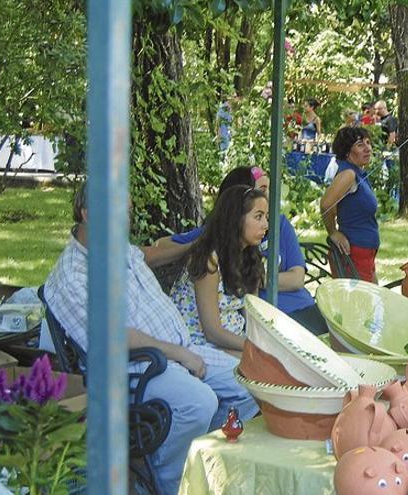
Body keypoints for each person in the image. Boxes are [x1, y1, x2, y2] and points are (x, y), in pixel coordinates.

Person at [44, 184, 258, 495]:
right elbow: (113, 336)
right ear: (88, 215)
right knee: (199, 403)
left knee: (249, 385)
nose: (126, 220)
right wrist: (178, 354)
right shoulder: (75, 276)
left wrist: (199, 238)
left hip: (177, 353)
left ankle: (195, 463)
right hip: (134, 369)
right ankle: (170, 484)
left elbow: (150, 253)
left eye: (128, 212)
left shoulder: (116, 248)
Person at [170, 166, 329, 335]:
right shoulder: (209, 255)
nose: (266, 224)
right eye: (261, 190)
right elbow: (214, 332)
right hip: (216, 339)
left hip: (279, 318)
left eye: (268, 190)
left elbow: (295, 280)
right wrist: (202, 242)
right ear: (237, 211)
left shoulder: (258, 245)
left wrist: (251, 277)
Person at [170, 186, 268, 355]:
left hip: (234, 340)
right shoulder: (209, 259)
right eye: (258, 217)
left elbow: (252, 316)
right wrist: (257, 349)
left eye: (266, 217)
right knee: (264, 375)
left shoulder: (250, 256)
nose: (266, 225)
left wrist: (266, 344)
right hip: (198, 346)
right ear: (236, 218)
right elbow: (212, 332)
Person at [320, 127, 379, 282]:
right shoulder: (348, 174)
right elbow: (326, 204)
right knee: (361, 302)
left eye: (368, 143)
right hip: (354, 251)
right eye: (360, 145)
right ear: (347, 152)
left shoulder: (358, 173)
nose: (368, 148)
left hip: (365, 251)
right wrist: (333, 232)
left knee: (373, 299)